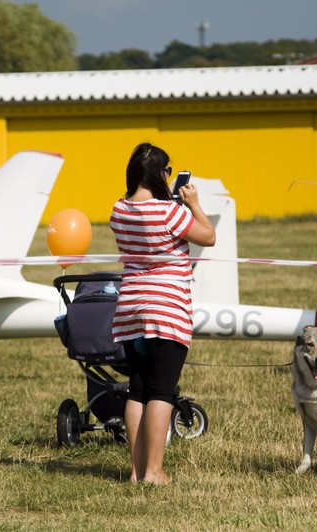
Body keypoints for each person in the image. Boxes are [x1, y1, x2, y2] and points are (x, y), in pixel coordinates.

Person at [109, 143, 216, 485]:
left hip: (131, 308)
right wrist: (194, 204)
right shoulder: (170, 213)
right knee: (161, 390)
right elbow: (208, 237)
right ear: (160, 174)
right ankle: (154, 472)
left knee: (137, 389)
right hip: (166, 309)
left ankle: (136, 471)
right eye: (167, 171)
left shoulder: (118, 210)